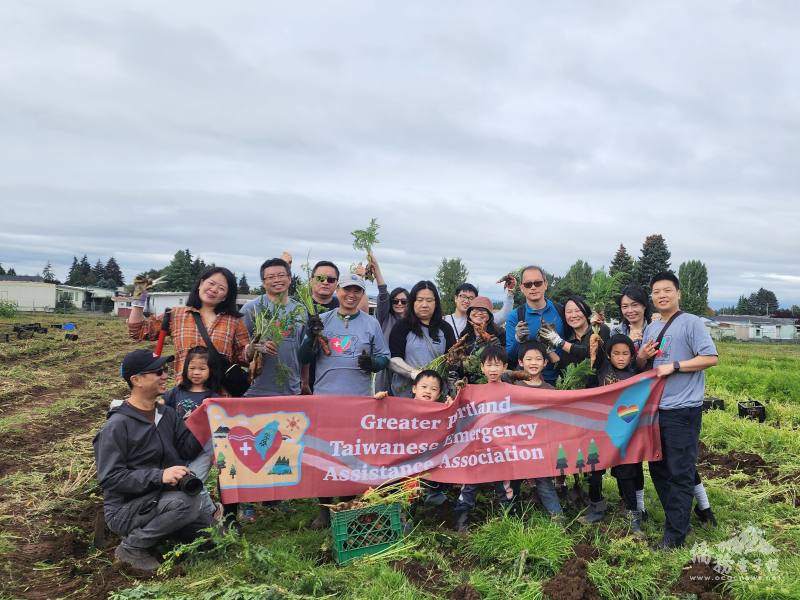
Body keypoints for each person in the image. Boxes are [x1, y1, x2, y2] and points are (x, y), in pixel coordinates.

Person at [94, 350, 211, 574]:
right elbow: (110, 478)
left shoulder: (166, 414)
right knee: (188, 504)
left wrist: (206, 416)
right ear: (136, 380)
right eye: (157, 371)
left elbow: (187, 448)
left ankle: (164, 535)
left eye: (165, 370)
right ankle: (131, 547)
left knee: (214, 535)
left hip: (162, 499)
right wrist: (160, 476)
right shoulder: (117, 426)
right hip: (125, 509)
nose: (164, 375)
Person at [298, 273, 390, 528]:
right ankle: (324, 511)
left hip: (357, 401)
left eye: (357, 291)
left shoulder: (371, 324)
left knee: (350, 455)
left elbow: (384, 356)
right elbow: (304, 356)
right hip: (325, 399)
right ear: (338, 291)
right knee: (323, 455)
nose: (351, 295)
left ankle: (347, 506)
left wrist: (372, 363)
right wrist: (310, 336)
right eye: (347, 290)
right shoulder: (323, 320)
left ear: (362, 295)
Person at [637, 271, 719, 549]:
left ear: (678, 293)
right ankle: (678, 520)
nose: (661, 295)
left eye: (667, 290)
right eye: (657, 291)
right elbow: (643, 365)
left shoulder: (691, 323)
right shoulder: (651, 328)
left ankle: (675, 536)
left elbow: (710, 358)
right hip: (655, 410)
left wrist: (675, 366)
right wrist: (642, 356)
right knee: (658, 468)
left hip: (682, 410)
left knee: (680, 471)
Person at [128, 267, 249, 390]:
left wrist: (251, 350)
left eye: (221, 288)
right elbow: (138, 331)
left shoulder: (234, 322)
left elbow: (244, 357)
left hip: (219, 397)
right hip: (185, 397)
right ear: (201, 284)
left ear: (225, 297)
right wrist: (139, 298)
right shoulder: (176, 315)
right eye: (211, 283)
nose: (214, 289)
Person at [452, 346, 520, 532]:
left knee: (504, 486)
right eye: (489, 365)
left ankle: (508, 523)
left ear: (505, 367)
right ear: (482, 367)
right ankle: (460, 524)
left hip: (501, 450)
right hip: (477, 450)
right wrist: (457, 392)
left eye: (497, 365)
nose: (493, 369)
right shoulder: (472, 391)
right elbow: (457, 411)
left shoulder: (512, 390)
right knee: (469, 485)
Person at [594, 334, 646, 536]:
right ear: (608, 355)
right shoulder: (602, 369)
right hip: (602, 431)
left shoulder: (637, 375)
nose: (621, 357)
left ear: (632, 356)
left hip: (626, 434)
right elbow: (594, 346)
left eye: (626, 354)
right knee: (596, 470)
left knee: (626, 473)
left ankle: (633, 513)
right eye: (616, 353)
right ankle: (596, 505)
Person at [509, 341, 563, 518]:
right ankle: (511, 516)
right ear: (521, 362)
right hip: (516, 445)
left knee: (544, 481)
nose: (533, 362)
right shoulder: (513, 388)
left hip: (540, 447)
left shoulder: (551, 390)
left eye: (538, 359)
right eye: (529, 359)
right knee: (512, 481)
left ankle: (557, 518)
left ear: (545, 363)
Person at [241, 257, 308, 397]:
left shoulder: (300, 310)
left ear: (290, 278)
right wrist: (255, 348)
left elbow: (303, 350)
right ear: (263, 283)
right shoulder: (251, 308)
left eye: (281, 275)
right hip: (255, 389)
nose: (277, 280)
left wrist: (304, 381)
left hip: (291, 389)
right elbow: (239, 347)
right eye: (271, 277)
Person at [389, 281, 456, 397]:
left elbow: (452, 360)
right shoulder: (401, 327)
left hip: (435, 396)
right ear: (412, 302)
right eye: (419, 300)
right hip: (405, 395)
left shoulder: (445, 328)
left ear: (436, 303)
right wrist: (414, 374)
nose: (424, 304)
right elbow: (394, 360)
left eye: (429, 301)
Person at [505, 266, 565, 385]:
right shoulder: (515, 316)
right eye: (528, 284)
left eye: (537, 283)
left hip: (558, 380)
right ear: (522, 288)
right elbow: (510, 356)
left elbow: (574, 343)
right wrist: (518, 339)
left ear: (545, 284)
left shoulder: (561, 311)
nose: (533, 287)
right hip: (526, 382)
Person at [368, 253, 409, 393]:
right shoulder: (385, 318)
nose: (399, 303)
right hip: (385, 369)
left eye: (403, 301)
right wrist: (376, 268)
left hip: (406, 369)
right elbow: (383, 294)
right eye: (395, 301)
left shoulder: (412, 323)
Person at [444, 278, 517, 337]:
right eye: (463, 296)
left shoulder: (480, 318)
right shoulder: (444, 320)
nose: (466, 301)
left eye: (471, 298)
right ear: (456, 298)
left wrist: (510, 293)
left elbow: (504, 315)